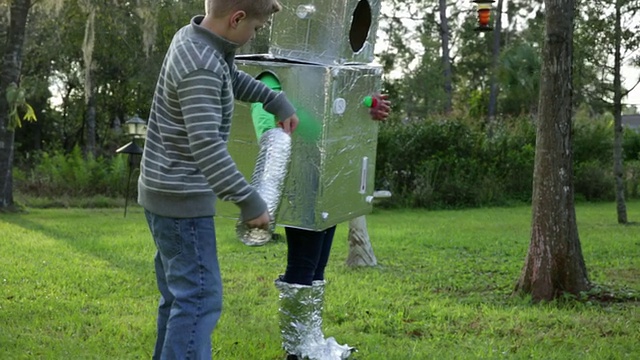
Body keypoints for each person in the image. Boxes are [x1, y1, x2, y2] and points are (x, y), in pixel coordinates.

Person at [137, 1, 299, 359]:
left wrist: (274, 100)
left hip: (162, 193)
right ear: (236, 18)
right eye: (255, 29)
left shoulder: (195, 41)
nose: (253, 36)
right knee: (199, 300)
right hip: (181, 202)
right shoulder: (201, 66)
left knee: (180, 297)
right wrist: (250, 200)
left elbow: (230, 78)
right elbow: (207, 147)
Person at [249, 72, 390, 360]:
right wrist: (278, 130)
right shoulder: (274, 79)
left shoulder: (323, 77)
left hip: (327, 181)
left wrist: (368, 104)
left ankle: (309, 342)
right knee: (303, 265)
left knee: (317, 267)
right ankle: (296, 351)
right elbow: (266, 118)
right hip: (301, 183)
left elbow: (343, 100)